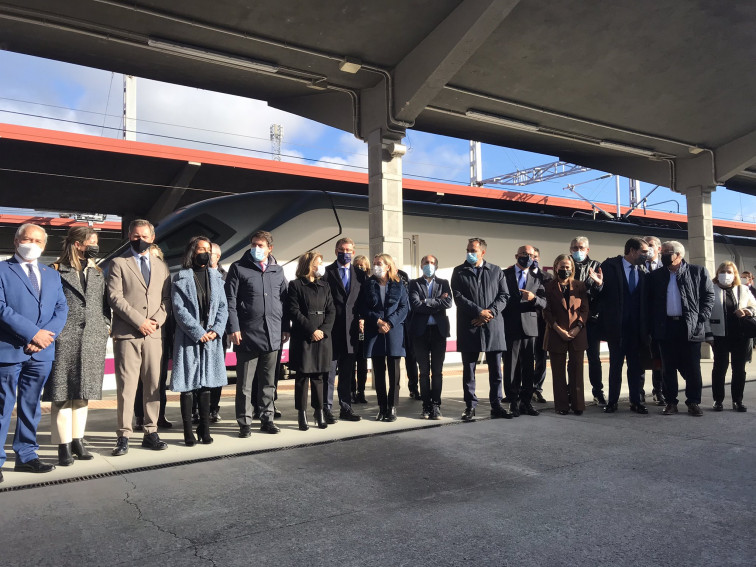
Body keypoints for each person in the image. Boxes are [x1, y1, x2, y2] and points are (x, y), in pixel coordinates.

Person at [0, 223, 68, 479]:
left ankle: (27, 455)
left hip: (41, 353)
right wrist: (32, 333)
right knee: (3, 406)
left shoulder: (51, 275)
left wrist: (43, 338)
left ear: (44, 245)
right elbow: (1, 308)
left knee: (32, 406)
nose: (33, 244)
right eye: (28, 239)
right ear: (16, 242)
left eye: (38, 241)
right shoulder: (2, 270)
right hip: (9, 350)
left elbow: (61, 309)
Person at [43, 226, 109, 466]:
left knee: (83, 395)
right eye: (90, 241)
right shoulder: (55, 271)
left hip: (92, 337)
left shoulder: (97, 272)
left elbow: (103, 305)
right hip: (64, 338)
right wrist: (54, 332)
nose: (94, 245)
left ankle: (78, 440)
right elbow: (48, 305)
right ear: (77, 243)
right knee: (62, 395)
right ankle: (63, 445)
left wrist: (104, 326)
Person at [107, 219, 171, 456]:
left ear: (152, 238)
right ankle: (124, 435)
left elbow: (166, 299)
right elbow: (115, 297)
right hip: (128, 334)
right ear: (129, 237)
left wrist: (155, 321)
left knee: (154, 384)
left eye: (144, 236)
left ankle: (151, 431)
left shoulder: (161, 266)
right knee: (127, 387)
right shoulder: (119, 263)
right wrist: (139, 321)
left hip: (154, 335)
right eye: (135, 236)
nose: (139, 239)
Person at [226, 230, 289, 436]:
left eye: (261, 245)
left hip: (272, 334)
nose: (256, 248)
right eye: (254, 244)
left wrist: (286, 327)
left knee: (268, 382)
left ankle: (267, 418)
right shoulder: (238, 268)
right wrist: (233, 327)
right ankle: (244, 422)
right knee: (244, 383)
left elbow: (285, 300)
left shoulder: (277, 271)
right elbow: (230, 301)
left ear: (270, 248)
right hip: (247, 335)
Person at [171, 236, 228, 445]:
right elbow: (179, 310)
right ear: (192, 252)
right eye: (201, 248)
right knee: (187, 386)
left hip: (211, 340)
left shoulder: (217, 277)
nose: (205, 252)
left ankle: (205, 428)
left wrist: (216, 330)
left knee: (207, 385)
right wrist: (198, 331)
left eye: (207, 249)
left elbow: (223, 307)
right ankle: (188, 431)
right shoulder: (180, 277)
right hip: (189, 339)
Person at [648, 241, 714, 417]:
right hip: (666, 326)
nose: (664, 255)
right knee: (668, 368)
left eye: (668, 252)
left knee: (692, 368)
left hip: (690, 327)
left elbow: (709, 296)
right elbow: (650, 302)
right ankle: (671, 402)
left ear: (679, 255)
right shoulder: (656, 276)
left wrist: (701, 318)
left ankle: (693, 402)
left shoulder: (697, 272)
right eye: (663, 252)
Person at [451, 237, 512, 421]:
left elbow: (504, 295)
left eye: (473, 250)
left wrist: (489, 313)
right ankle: (470, 406)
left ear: (483, 252)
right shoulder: (459, 271)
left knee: (496, 371)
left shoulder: (495, 271)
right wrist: (478, 312)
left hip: (493, 327)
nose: (469, 253)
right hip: (470, 326)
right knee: (469, 370)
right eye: (468, 250)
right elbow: (458, 297)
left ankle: (496, 405)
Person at [598, 237, 651, 414]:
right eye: (643, 251)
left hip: (637, 329)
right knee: (615, 366)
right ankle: (612, 401)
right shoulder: (610, 266)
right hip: (617, 328)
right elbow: (600, 294)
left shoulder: (644, 270)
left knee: (636, 367)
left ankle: (636, 401)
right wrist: (598, 285)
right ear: (632, 251)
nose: (647, 254)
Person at [286, 251, 335, 430]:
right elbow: (294, 311)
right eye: (317, 263)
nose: (320, 266)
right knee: (302, 377)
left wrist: (323, 330)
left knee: (319, 376)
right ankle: (302, 413)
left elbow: (331, 310)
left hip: (322, 337)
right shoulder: (296, 285)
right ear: (308, 265)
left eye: (321, 262)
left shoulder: (325, 286)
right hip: (304, 337)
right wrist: (311, 330)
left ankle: (319, 411)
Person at [360, 253, 409, 422]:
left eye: (379, 263)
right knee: (379, 373)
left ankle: (392, 407)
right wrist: (378, 321)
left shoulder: (398, 283)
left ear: (388, 266)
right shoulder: (368, 284)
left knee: (394, 373)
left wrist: (390, 323)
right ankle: (382, 407)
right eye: (374, 264)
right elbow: (363, 308)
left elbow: (404, 307)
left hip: (394, 332)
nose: (375, 266)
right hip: (375, 331)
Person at [323, 237, 365, 423]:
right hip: (332, 331)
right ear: (336, 251)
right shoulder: (326, 273)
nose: (345, 252)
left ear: (353, 252)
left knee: (347, 373)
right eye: (342, 249)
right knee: (329, 373)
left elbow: (362, 301)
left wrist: (363, 319)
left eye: (349, 250)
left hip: (352, 332)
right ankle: (327, 409)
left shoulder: (360, 275)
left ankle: (346, 408)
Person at [502, 244, 546, 417]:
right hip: (510, 326)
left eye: (530, 254)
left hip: (530, 327)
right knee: (511, 366)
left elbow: (544, 302)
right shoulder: (504, 275)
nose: (527, 257)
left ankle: (526, 402)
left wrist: (533, 298)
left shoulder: (537, 278)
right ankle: (513, 401)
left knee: (528, 367)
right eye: (523, 254)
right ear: (516, 256)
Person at [543, 254, 589, 415]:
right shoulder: (548, 287)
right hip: (556, 333)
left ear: (572, 269)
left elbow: (584, 309)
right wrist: (558, 329)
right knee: (558, 372)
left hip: (577, 333)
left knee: (577, 371)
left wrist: (578, 327)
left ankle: (578, 405)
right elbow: (546, 311)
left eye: (568, 267)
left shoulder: (580, 285)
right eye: (562, 267)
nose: (565, 270)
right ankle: (561, 406)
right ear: (556, 267)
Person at [705, 262, 755, 412]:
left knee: (739, 369)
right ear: (717, 273)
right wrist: (708, 334)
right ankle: (718, 400)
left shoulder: (743, 289)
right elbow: (705, 314)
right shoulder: (710, 290)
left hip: (741, 335)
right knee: (720, 368)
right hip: (719, 335)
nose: (726, 274)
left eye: (729, 272)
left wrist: (747, 310)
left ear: (735, 275)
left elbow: (754, 306)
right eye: (723, 271)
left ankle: (737, 401)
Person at [134, 243, 172, 431]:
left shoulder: (165, 278)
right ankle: (140, 416)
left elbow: (167, 304)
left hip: (160, 334)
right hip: (138, 330)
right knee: (140, 380)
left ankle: (159, 415)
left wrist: (156, 322)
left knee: (159, 379)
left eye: (157, 257)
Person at [408, 254, 452, 419]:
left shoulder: (444, 283)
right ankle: (426, 405)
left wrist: (426, 301)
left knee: (438, 371)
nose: (429, 264)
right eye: (426, 262)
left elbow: (448, 303)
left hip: (438, 332)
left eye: (432, 262)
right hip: (420, 332)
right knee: (424, 371)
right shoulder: (414, 283)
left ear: (436, 266)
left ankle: (436, 405)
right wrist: (436, 302)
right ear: (421, 265)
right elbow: (415, 305)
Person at [569, 236, 605, 405]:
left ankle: (598, 391)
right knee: (573, 359)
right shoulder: (566, 265)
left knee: (594, 358)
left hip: (591, 320)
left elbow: (603, 293)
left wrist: (598, 284)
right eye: (575, 248)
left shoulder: (596, 266)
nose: (578, 251)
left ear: (587, 249)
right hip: (570, 319)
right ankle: (572, 393)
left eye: (581, 247)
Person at [643, 236, 666, 406]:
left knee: (660, 359)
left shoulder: (666, 267)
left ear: (659, 248)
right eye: (645, 245)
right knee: (640, 357)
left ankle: (659, 390)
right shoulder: (636, 266)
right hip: (642, 321)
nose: (648, 248)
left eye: (651, 245)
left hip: (661, 321)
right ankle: (638, 391)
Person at [208, 242, 228, 423]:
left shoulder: (225, 277)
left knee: (217, 371)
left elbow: (227, 306)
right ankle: (197, 408)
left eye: (211, 253)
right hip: (201, 332)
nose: (208, 256)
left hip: (219, 333)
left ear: (218, 256)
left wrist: (219, 329)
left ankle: (214, 408)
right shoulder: (196, 273)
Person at [531, 247, 553, 404]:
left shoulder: (547, 278)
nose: (533, 259)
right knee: (521, 359)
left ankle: (537, 389)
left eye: (535, 256)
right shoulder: (518, 275)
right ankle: (519, 389)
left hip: (541, 323)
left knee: (541, 359)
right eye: (530, 256)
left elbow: (549, 302)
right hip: (523, 322)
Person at [350, 255, 370, 404]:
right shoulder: (351, 281)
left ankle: (361, 391)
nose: (360, 267)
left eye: (363, 265)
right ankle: (351, 390)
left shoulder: (369, 282)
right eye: (357, 265)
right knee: (350, 361)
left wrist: (363, 319)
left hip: (364, 327)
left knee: (362, 362)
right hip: (351, 326)